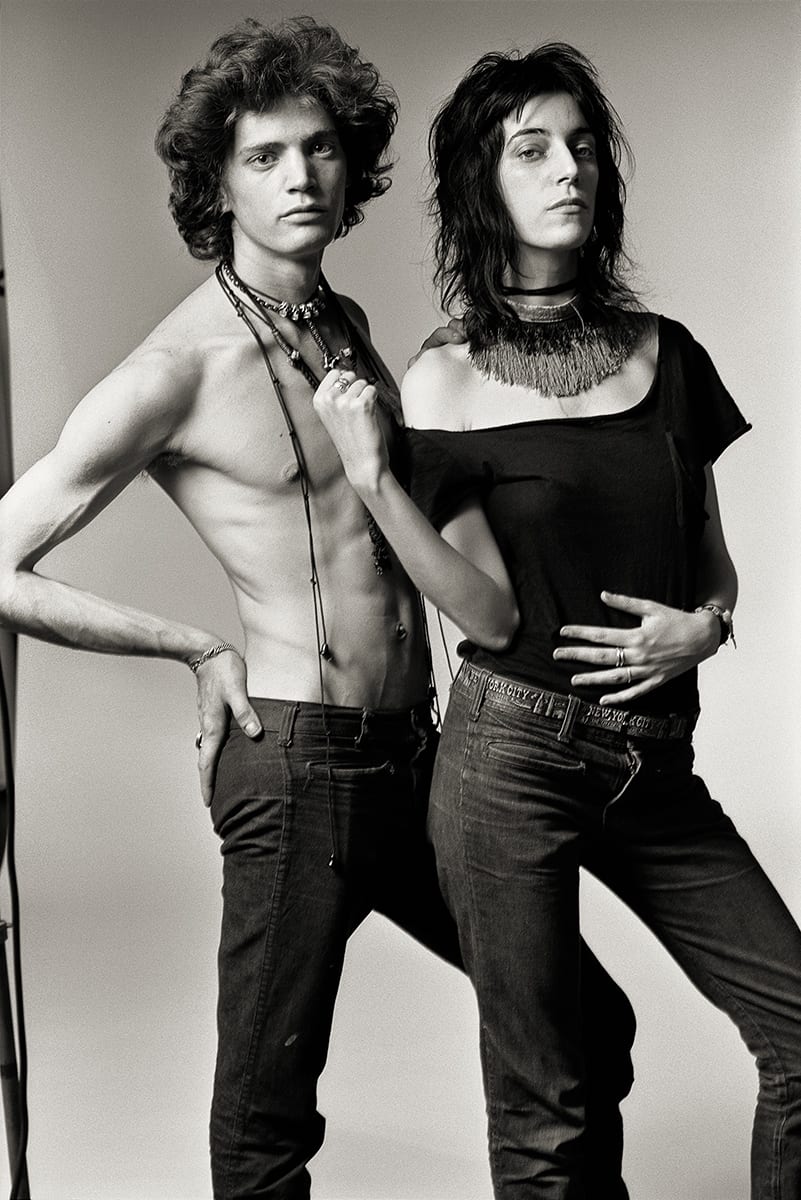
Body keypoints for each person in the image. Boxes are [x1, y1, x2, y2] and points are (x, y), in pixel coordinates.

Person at [0, 20, 637, 1200]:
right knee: (263, 1126)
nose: (299, 177)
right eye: (262, 158)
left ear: (350, 168)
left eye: (319, 150)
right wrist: (193, 647)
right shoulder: (176, 367)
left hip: (421, 760)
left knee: (587, 1026)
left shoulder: (340, 325)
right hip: (298, 772)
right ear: (216, 184)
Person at [313, 40, 801, 1200]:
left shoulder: (666, 355)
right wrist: (378, 479)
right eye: (531, 149)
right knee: (548, 1109)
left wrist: (709, 628)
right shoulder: (442, 378)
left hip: (651, 764)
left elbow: (710, 561)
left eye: (581, 145)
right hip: (511, 759)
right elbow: (484, 609)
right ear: (481, 183)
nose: (567, 169)